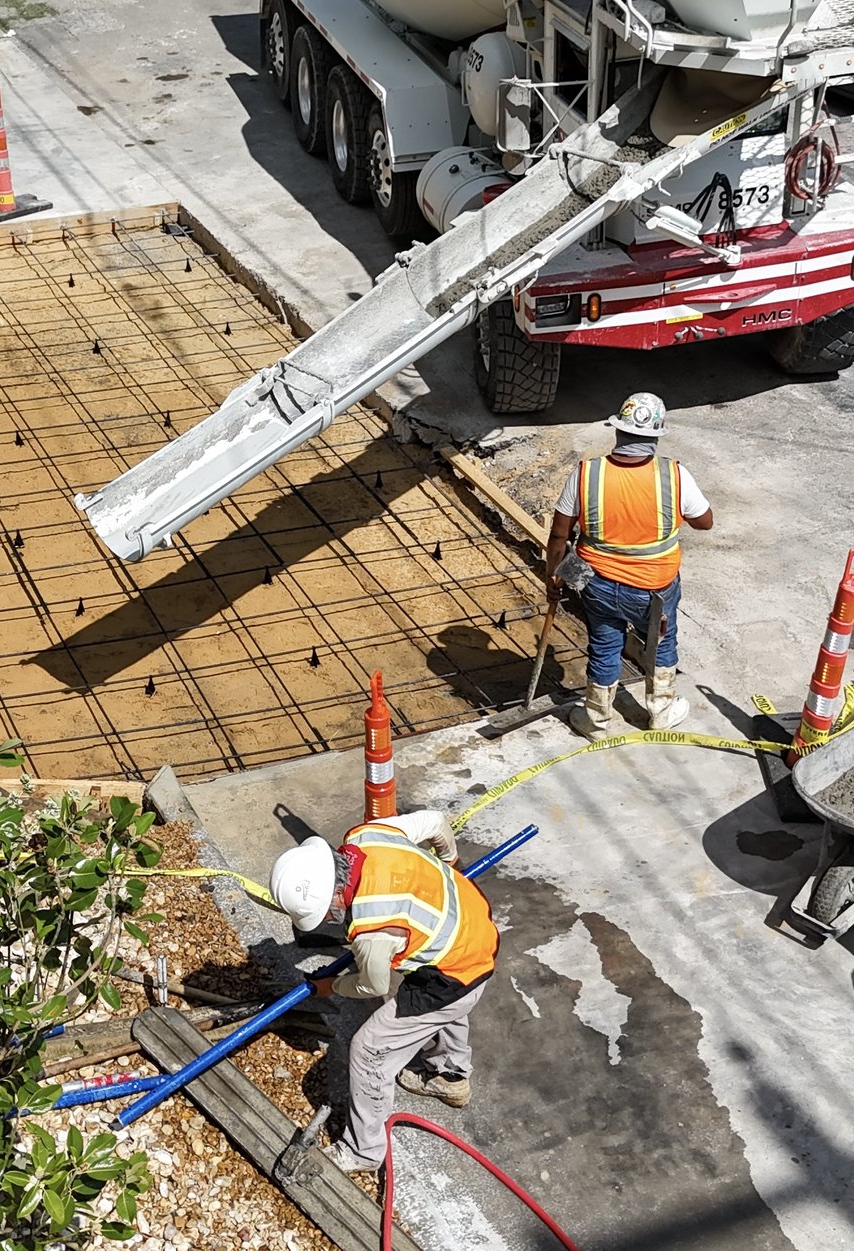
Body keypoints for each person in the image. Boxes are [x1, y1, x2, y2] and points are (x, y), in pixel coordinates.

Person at [268, 810, 500, 1174]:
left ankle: (364, 1150)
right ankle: (450, 1075)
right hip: (472, 922)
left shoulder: (373, 930)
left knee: (369, 1049)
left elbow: (372, 985)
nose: (330, 920)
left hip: (454, 974)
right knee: (449, 990)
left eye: (326, 914)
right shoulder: (366, 837)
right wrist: (449, 862)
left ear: (332, 898)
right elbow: (437, 823)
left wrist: (330, 986)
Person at [542, 392, 713, 737]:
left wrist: (553, 577)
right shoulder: (674, 475)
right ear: (655, 437)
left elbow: (560, 535)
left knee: (604, 646)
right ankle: (661, 713)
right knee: (661, 643)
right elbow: (704, 521)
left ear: (618, 432)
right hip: (656, 589)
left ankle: (595, 722)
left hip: (597, 584)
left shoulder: (586, 474)